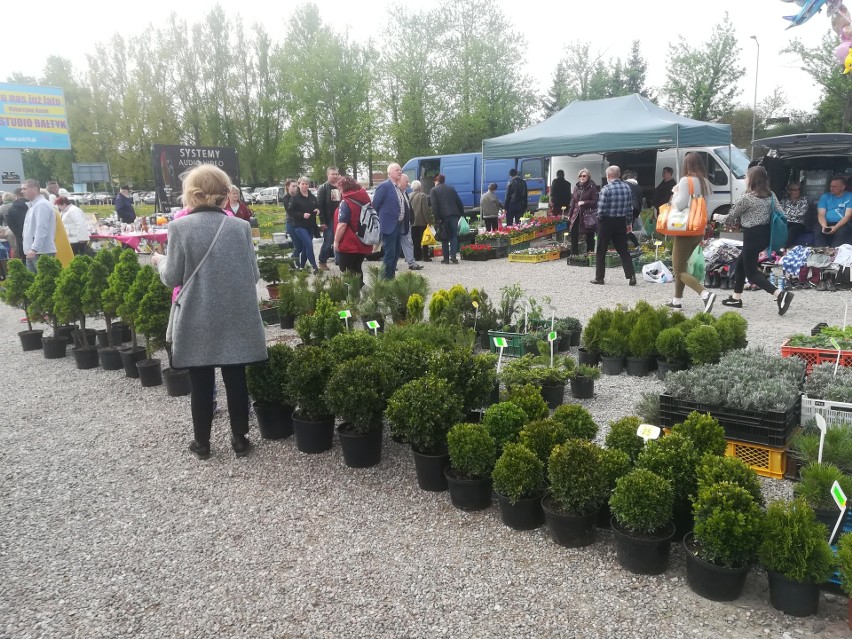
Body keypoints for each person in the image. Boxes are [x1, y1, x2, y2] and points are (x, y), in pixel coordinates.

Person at [150, 164, 266, 461]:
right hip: (236, 315)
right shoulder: (240, 227)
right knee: (236, 378)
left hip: (197, 316)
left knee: (201, 382)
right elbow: (253, 274)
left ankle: (202, 444)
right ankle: (240, 440)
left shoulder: (179, 227)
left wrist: (158, 260)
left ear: (191, 194)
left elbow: (172, 276)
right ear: (226, 194)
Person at [715, 166, 794, 315]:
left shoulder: (747, 198)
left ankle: (780, 294)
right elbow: (781, 213)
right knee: (740, 265)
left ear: (752, 180)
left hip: (751, 236)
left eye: (746, 176)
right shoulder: (771, 195)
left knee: (751, 273)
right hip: (765, 235)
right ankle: (735, 298)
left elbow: (731, 217)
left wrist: (717, 217)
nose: (745, 179)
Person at [665, 153, 717, 313]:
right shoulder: (706, 182)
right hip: (698, 228)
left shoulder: (685, 181)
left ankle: (705, 294)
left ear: (686, 165)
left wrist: (674, 195)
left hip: (684, 229)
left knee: (678, 270)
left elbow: (680, 205)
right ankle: (677, 300)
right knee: (682, 265)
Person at [590, 166, 636, 286]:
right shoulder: (627, 187)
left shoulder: (606, 189)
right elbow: (629, 208)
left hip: (606, 222)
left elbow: (601, 210)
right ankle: (631, 275)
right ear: (619, 174)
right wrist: (628, 223)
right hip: (621, 221)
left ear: (608, 176)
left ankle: (599, 278)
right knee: (623, 250)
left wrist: (599, 221)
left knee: (601, 250)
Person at [333, 176, 374, 284]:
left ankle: (355, 294)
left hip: (349, 242)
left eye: (339, 188)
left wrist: (336, 241)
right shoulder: (365, 199)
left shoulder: (346, 202)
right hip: (363, 239)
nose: (339, 190)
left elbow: (342, 224)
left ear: (343, 188)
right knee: (357, 268)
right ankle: (360, 295)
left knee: (345, 270)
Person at [372, 162, 406, 279]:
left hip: (398, 226)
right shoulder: (385, 186)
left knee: (396, 254)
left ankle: (391, 278)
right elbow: (375, 204)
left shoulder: (397, 187)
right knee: (390, 254)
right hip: (388, 226)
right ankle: (384, 280)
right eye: (397, 170)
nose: (400, 171)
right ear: (389, 173)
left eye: (400, 170)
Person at [20, 179, 57, 272]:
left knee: (43, 281)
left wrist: (34, 248)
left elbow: (41, 228)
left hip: (41, 252)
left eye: (25, 189)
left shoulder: (41, 205)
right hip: (34, 251)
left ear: (35, 189)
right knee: (34, 282)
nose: (22, 192)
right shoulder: (34, 205)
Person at [287, 177, 321, 272]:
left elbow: (317, 206)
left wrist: (317, 210)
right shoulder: (295, 198)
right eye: (302, 184)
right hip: (299, 225)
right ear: (299, 185)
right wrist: (302, 215)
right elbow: (290, 211)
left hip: (310, 225)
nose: (305, 186)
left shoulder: (312, 197)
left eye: (306, 184)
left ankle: (301, 267)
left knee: (307, 246)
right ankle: (315, 267)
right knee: (309, 244)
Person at [429, 173, 464, 264]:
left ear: (436, 181)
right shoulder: (451, 188)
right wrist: (461, 213)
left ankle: (446, 259)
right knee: (453, 236)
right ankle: (453, 256)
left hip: (443, 217)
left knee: (444, 237)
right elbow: (459, 202)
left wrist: (437, 218)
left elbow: (434, 206)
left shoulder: (434, 190)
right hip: (454, 215)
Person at [567, 169, 598, 257]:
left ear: (588, 177)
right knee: (574, 233)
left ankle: (590, 253)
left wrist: (585, 202)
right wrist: (569, 214)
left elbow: (595, 201)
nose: (582, 178)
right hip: (576, 213)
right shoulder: (576, 187)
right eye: (580, 176)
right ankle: (574, 253)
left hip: (588, 214)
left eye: (584, 176)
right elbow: (573, 201)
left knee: (589, 235)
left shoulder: (592, 187)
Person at [815, 176, 852, 248]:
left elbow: (848, 216)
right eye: (831, 186)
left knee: (842, 232)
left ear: (843, 187)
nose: (831, 188)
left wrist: (835, 227)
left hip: (843, 223)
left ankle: (834, 252)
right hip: (826, 222)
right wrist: (824, 226)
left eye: (834, 186)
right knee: (818, 230)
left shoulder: (850, 196)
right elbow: (821, 214)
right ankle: (822, 251)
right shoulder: (825, 196)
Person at [316, 166, 341, 270]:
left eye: (336, 174)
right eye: (332, 174)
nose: (335, 176)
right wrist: (323, 221)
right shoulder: (323, 188)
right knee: (328, 241)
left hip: (340, 218)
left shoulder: (340, 186)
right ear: (328, 175)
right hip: (329, 219)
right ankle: (322, 261)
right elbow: (320, 205)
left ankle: (339, 260)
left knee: (340, 239)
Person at [396, 174, 422, 270]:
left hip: (405, 222)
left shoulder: (405, 193)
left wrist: (411, 219)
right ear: (400, 181)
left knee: (408, 242)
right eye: (406, 182)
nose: (408, 184)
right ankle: (392, 264)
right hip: (396, 223)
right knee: (395, 244)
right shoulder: (395, 192)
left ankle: (411, 263)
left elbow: (408, 207)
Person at [779, 182, 810, 247]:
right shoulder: (784, 201)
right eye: (795, 190)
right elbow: (780, 212)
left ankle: (783, 248)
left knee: (792, 231)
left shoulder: (804, 200)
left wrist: (787, 214)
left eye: (798, 189)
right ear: (789, 191)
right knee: (780, 228)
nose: (797, 191)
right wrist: (790, 214)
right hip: (786, 222)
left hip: (798, 223)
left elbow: (801, 213)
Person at [282, 180, 304, 268]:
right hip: (291, 223)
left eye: (296, 186)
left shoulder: (299, 196)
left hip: (300, 222)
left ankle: (293, 259)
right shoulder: (286, 198)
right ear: (288, 187)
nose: (295, 188)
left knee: (301, 244)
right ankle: (295, 261)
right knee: (297, 245)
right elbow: (290, 210)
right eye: (293, 186)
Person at [409, 179, 432, 261]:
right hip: (421, 221)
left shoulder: (409, 195)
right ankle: (425, 256)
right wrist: (429, 221)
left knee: (415, 240)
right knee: (424, 239)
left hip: (412, 222)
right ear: (420, 186)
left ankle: (416, 256)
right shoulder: (422, 195)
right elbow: (425, 210)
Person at [6, 188, 27, 259]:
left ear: (16, 196)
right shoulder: (32, 205)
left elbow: (9, 222)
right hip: (35, 237)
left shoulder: (12, 209)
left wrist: (18, 233)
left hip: (20, 237)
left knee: (25, 260)